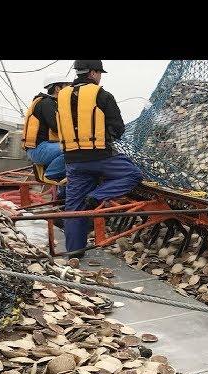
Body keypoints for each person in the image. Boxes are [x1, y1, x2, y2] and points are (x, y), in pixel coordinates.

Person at [56, 60, 143, 258]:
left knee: (74, 208)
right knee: (132, 174)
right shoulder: (102, 95)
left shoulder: (61, 96)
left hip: (73, 161)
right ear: (93, 73)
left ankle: (75, 254)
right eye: (99, 73)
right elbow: (118, 129)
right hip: (101, 157)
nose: (100, 76)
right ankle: (97, 196)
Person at [22, 73, 71, 200]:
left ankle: (62, 196)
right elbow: (56, 127)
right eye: (67, 86)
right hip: (39, 149)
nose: (70, 89)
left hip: (45, 148)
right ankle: (51, 174)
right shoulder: (47, 103)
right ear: (57, 89)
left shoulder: (51, 103)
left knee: (71, 166)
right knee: (72, 149)